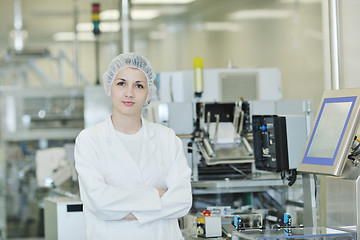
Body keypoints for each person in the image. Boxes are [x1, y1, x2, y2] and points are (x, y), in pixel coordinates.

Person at [74, 52, 192, 240]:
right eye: (121, 83)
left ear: (149, 92)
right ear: (109, 87)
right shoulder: (89, 140)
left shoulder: (166, 138)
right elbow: (100, 203)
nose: (129, 93)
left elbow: (182, 200)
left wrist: (121, 207)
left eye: (139, 85)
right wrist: (158, 196)